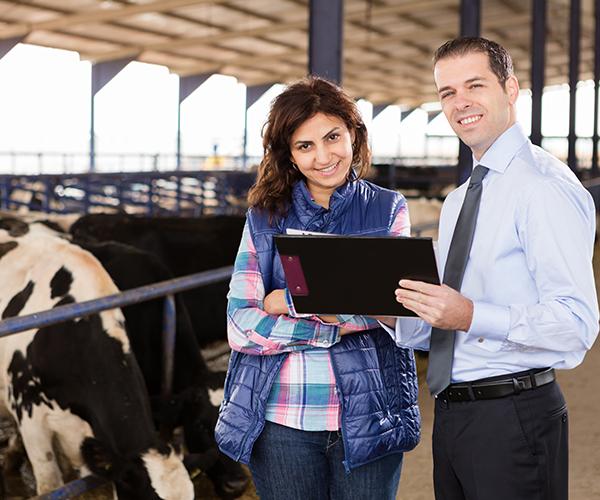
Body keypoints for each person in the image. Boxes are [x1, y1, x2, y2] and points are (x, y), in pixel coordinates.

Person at [380, 37, 599, 500]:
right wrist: (389, 312)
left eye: (475, 85)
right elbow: (447, 319)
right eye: (447, 92)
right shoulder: (459, 200)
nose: (461, 103)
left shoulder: (542, 188)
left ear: (511, 89)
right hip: (455, 413)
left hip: (514, 416)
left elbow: (577, 324)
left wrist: (470, 315)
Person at [215, 76, 420, 500]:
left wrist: (285, 301)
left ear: (354, 135)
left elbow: (397, 305)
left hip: (369, 413)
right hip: (282, 420)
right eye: (305, 146)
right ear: (288, 154)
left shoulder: (387, 209)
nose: (323, 157)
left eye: (333, 137)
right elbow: (240, 324)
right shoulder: (264, 217)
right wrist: (331, 325)